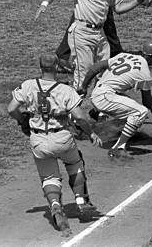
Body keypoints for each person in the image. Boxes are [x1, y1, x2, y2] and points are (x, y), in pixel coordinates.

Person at [7, 55, 103, 235]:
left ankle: (56, 205)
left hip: (39, 141)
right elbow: (80, 117)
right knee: (75, 164)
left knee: (49, 177)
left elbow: (11, 108)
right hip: (62, 138)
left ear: (40, 67)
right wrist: (90, 133)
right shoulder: (65, 90)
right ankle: (81, 201)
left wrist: (22, 120)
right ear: (57, 67)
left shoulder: (28, 85)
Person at [34, 0, 152, 89]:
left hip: (100, 34)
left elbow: (119, 8)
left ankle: (98, 98)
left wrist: (138, 1)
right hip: (82, 32)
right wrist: (44, 4)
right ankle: (76, 103)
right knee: (82, 72)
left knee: (105, 69)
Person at [77, 39, 152, 159]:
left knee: (129, 107)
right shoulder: (144, 73)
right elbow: (147, 101)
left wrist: (84, 87)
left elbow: (95, 68)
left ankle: (96, 115)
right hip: (105, 98)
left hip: (98, 92)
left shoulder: (124, 56)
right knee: (140, 112)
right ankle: (118, 147)